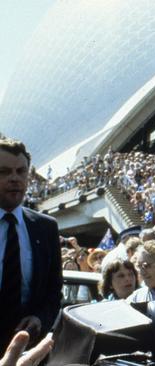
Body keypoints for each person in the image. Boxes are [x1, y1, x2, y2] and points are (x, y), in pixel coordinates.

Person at [0, 139, 62, 352]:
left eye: (21, 171)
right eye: (4, 172)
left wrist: (39, 318)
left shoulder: (46, 228)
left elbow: (54, 292)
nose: (14, 178)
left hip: (28, 349)